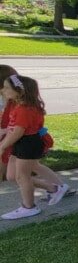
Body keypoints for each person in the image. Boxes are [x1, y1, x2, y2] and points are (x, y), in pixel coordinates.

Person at [0, 75, 70, 220]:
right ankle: (53, 188)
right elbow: (13, 129)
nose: (3, 90)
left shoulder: (24, 109)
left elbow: (18, 132)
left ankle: (29, 207)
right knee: (12, 176)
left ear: (19, 91)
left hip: (27, 144)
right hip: (21, 143)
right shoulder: (19, 106)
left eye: (7, 87)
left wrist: (2, 146)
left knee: (22, 176)